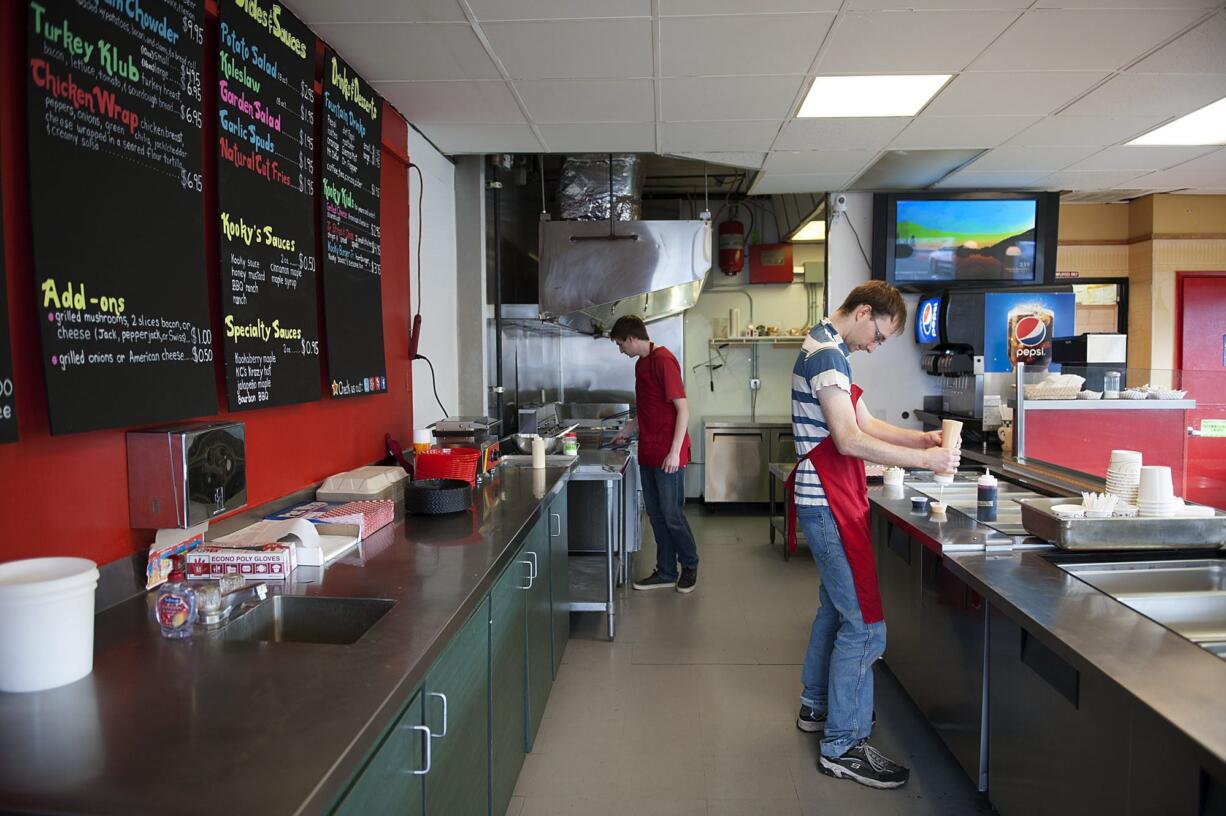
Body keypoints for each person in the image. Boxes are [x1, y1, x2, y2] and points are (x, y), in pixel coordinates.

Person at [788, 281, 960, 790]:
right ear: (864, 312)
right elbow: (848, 438)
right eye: (879, 335)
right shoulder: (825, 354)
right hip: (829, 505)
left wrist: (923, 437)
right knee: (865, 629)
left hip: (828, 502)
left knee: (834, 612)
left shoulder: (827, 345)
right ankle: (843, 745)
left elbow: (864, 420)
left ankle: (816, 708)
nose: (875, 345)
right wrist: (928, 460)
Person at [608, 315, 699, 594]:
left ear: (632, 339)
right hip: (648, 449)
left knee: (671, 513)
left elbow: (682, 408)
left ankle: (690, 564)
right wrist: (628, 428)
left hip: (668, 453)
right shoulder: (641, 365)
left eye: (621, 343)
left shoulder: (663, 360)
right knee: (657, 514)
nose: (620, 349)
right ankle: (666, 571)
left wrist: (674, 452)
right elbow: (647, 407)